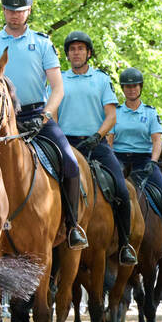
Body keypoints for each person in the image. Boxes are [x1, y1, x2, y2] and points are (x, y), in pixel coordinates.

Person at [0, 0, 87, 248]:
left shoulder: (42, 43)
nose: (14, 15)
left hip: (37, 116)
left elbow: (58, 87)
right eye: (10, 10)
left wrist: (46, 115)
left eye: (20, 11)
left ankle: (72, 226)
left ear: (28, 11)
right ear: (3, 11)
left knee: (70, 162)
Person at [55, 32, 135, 263]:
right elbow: (53, 113)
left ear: (88, 53)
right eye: (72, 49)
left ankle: (125, 244)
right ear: (68, 55)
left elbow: (111, 116)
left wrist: (97, 136)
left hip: (95, 143)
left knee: (121, 188)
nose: (76, 52)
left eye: (80, 48)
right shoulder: (59, 80)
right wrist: (59, 136)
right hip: (66, 142)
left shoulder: (101, 79)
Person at [111, 68, 162, 260]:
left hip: (144, 161)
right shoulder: (115, 112)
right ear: (123, 89)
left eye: (134, 86)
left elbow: (157, 140)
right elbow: (109, 139)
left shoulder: (150, 113)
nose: (131, 89)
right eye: (127, 86)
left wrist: (153, 161)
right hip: (119, 160)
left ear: (140, 87)